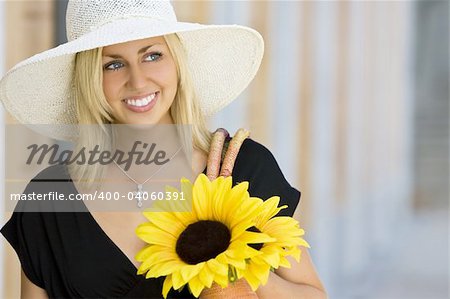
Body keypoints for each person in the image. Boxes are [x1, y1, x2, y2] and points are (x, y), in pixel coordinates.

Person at [0, 1, 327, 298]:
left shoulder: (244, 168)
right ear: (90, 80)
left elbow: (312, 294)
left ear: (176, 63)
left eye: (152, 55)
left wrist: (235, 265)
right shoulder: (49, 198)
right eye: (113, 64)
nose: (138, 81)